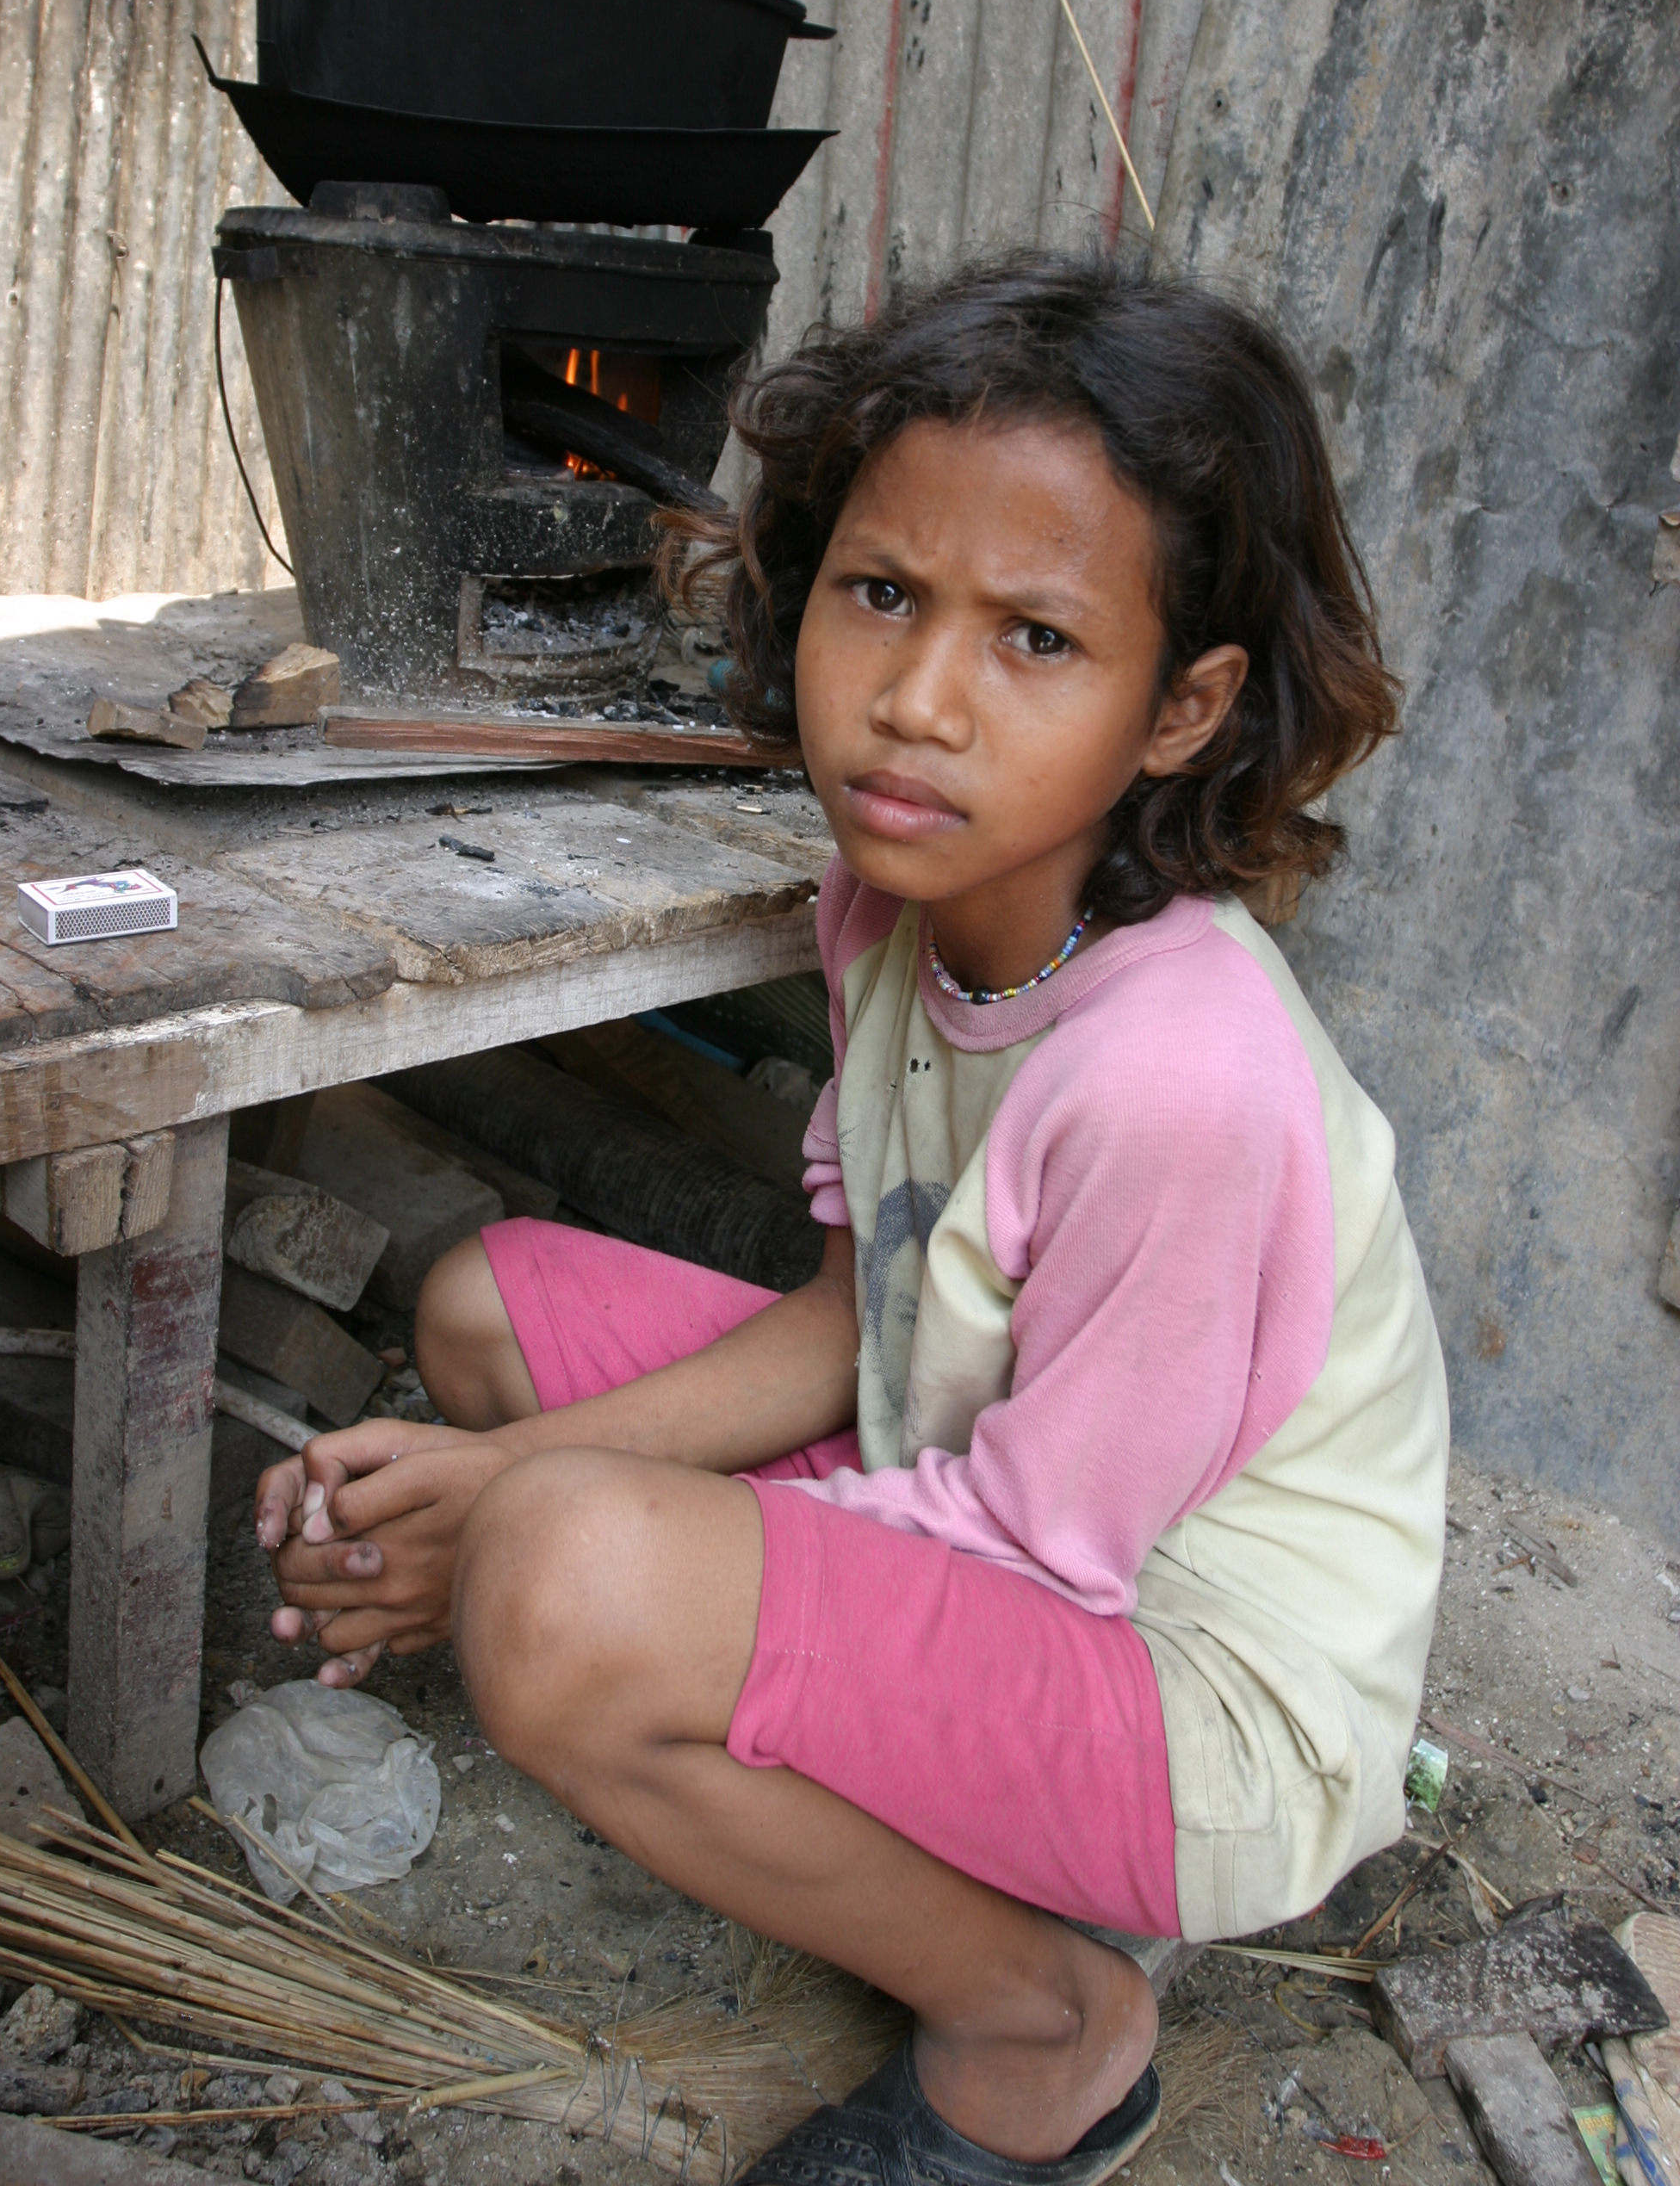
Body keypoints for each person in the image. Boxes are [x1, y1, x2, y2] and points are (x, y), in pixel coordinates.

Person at [255, 255, 1448, 2186]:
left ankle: (1047, 2019)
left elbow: (1043, 1548)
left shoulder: (1180, 1079)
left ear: (1184, 704)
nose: (914, 702)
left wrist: (526, 1531)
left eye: (1036, 641)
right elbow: (855, 1311)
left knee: (562, 1587)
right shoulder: (900, 907)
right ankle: (816, 1752)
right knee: (490, 1317)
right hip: (989, 1491)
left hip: (1200, 1692)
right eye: (881, 595)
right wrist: (505, 1475)